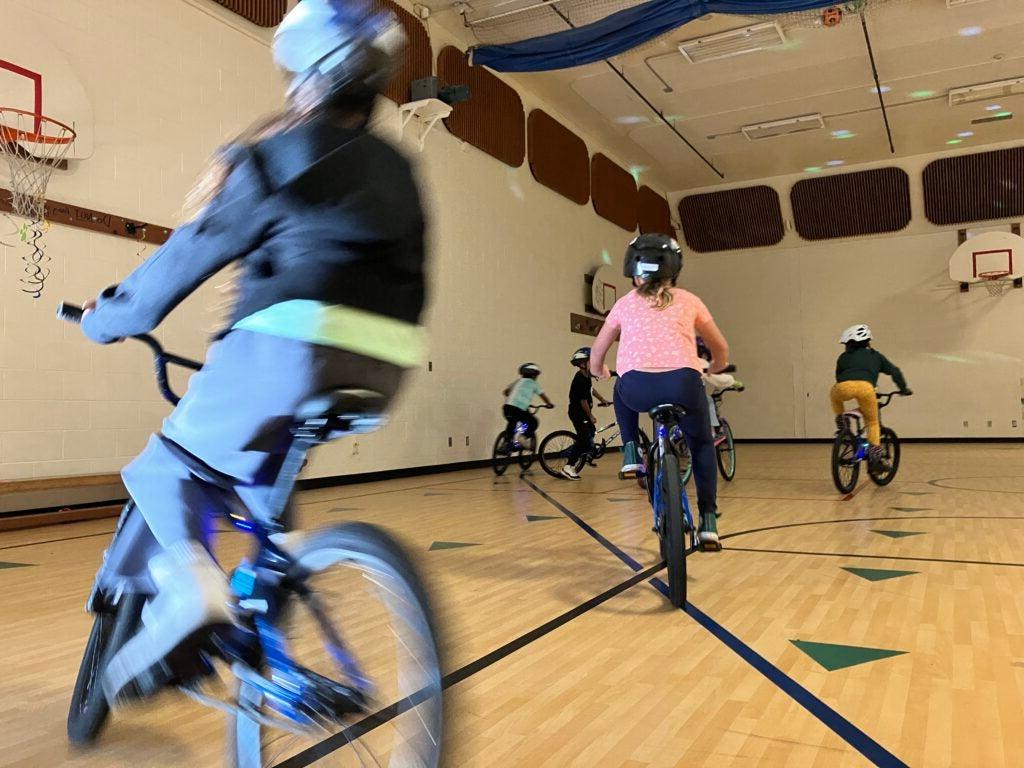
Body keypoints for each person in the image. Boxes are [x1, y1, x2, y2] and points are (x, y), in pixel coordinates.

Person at [77, 0, 422, 704]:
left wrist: (105, 320)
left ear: (311, 78)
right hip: (385, 361)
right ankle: (273, 644)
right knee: (269, 498)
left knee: (166, 465)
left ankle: (196, 591)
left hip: (285, 350)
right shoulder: (399, 168)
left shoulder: (276, 154)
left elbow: (180, 264)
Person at [590, 234, 729, 550]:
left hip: (637, 389)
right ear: (673, 271)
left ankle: (630, 451)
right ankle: (708, 521)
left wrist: (599, 370)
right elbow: (720, 346)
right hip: (683, 384)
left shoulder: (624, 304)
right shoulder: (689, 300)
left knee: (619, 383)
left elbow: (598, 350)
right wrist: (717, 366)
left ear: (634, 273)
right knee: (702, 445)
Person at [832, 324, 912, 468]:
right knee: (872, 423)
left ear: (849, 344)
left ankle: (842, 423)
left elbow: (838, 377)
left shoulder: (843, 357)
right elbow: (895, 371)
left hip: (842, 388)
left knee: (835, 395)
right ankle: (875, 452)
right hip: (866, 389)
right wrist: (903, 388)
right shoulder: (876, 356)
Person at [560, 347, 610, 480]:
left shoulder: (586, 376)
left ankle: (585, 453)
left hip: (582, 413)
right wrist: (591, 416)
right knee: (583, 439)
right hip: (578, 413)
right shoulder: (580, 379)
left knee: (591, 433)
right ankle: (568, 466)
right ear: (582, 364)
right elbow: (583, 402)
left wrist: (602, 399)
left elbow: (591, 390)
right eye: (590, 361)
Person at [696, 336, 742, 441]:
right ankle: (712, 432)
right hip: (691, 396)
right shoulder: (699, 361)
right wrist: (734, 382)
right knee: (708, 401)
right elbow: (718, 379)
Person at [502, 363, 553, 446]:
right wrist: (549, 404)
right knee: (533, 422)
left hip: (507, 408)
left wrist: (515, 398)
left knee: (512, 422)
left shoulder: (517, 382)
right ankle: (522, 437)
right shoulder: (533, 383)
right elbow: (543, 396)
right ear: (534, 375)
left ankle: (506, 443)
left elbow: (506, 392)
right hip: (519, 409)